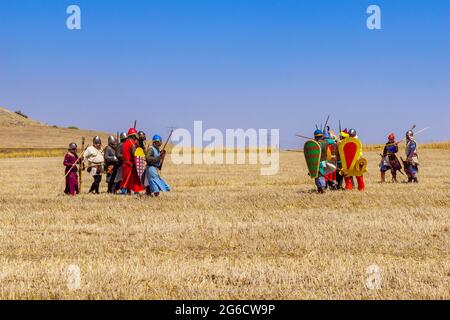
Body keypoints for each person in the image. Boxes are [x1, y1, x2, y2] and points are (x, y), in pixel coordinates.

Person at [120, 128, 144, 194]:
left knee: (126, 179)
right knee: (131, 179)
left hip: (125, 163)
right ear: (133, 135)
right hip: (130, 164)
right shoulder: (132, 143)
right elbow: (134, 154)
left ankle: (127, 192)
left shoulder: (125, 143)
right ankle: (131, 192)